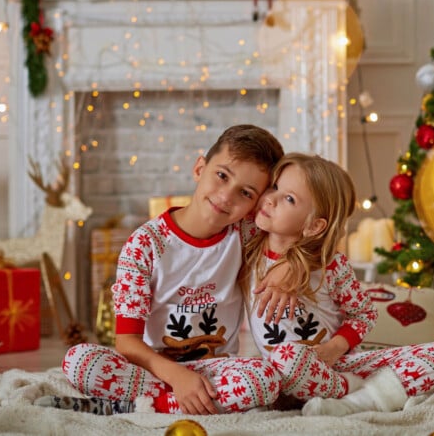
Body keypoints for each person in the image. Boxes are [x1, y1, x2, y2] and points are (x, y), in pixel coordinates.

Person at [49, 124, 291, 416]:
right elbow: (127, 342)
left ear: (256, 204)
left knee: (263, 380)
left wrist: (288, 265)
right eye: (222, 176)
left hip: (213, 368)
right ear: (199, 168)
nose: (227, 196)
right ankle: (182, 401)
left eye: (246, 193)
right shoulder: (144, 245)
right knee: (79, 360)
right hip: (152, 367)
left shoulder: (247, 233)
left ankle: (131, 406)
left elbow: (307, 237)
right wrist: (177, 377)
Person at [239, 153, 434, 415]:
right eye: (275, 187)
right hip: (278, 374)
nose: (271, 199)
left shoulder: (330, 266)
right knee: (283, 359)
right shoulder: (248, 245)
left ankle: (354, 401)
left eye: (289, 199)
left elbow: (364, 314)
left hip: (336, 366)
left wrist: (335, 348)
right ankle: (346, 393)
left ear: (314, 226)